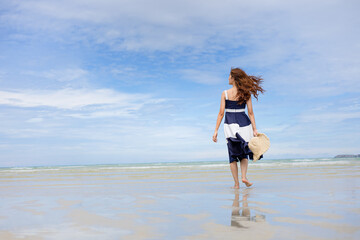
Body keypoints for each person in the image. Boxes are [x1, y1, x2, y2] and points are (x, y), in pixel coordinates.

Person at [212, 67, 265, 189]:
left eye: (229, 76)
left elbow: (221, 113)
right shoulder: (246, 93)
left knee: (232, 154)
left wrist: (215, 131)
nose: (228, 78)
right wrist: (254, 129)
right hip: (244, 123)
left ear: (234, 78)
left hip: (230, 124)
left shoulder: (225, 93)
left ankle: (236, 184)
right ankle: (244, 177)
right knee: (243, 152)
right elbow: (251, 113)